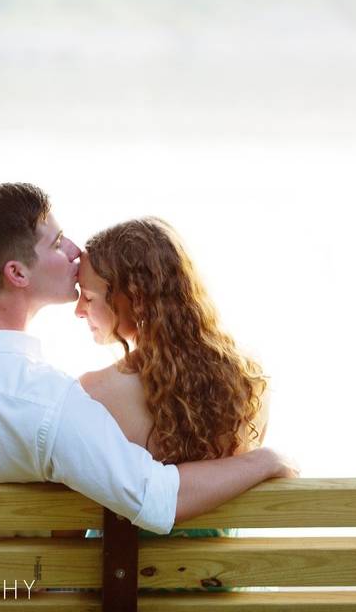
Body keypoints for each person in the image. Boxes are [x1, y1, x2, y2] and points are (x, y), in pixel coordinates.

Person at [0, 183, 297, 540]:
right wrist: (268, 460)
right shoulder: (51, 405)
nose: (75, 251)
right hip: (9, 595)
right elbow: (154, 498)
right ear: (17, 272)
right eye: (58, 241)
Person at [73, 218, 267, 571]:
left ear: (133, 299)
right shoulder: (245, 382)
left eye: (87, 297)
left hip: (123, 588)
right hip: (216, 581)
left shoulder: (93, 394)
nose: (78, 310)